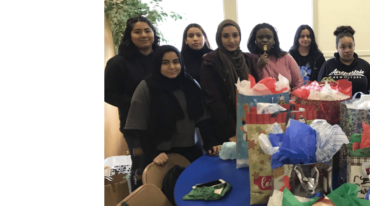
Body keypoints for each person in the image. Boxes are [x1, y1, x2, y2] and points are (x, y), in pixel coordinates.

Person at [123, 45, 212, 164]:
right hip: (161, 154)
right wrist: (152, 154)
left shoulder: (190, 84)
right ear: (157, 64)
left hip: (192, 149)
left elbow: (203, 118)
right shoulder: (146, 87)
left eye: (176, 62)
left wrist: (211, 142)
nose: (172, 67)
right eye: (165, 63)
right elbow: (139, 126)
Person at [199, 19, 254, 155]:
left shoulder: (247, 60)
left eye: (235, 35)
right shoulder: (210, 62)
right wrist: (233, 132)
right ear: (219, 37)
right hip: (223, 129)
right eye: (226, 36)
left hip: (247, 125)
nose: (231, 40)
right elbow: (215, 101)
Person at [105, 15, 161, 133]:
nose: (144, 35)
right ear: (129, 36)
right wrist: (137, 103)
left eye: (147, 31)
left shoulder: (164, 59)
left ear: (153, 34)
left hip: (166, 123)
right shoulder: (118, 63)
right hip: (135, 126)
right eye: (137, 32)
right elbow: (107, 93)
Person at [316, 26, 370, 93]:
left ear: (354, 45)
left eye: (350, 46)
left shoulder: (365, 66)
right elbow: (320, 90)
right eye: (343, 47)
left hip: (361, 103)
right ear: (337, 48)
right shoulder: (327, 66)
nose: (347, 50)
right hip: (336, 103)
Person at [247, 23, 303, 89]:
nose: (264, 40)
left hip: (286, 98)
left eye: (269, 37)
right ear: (255, 40)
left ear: (274, 40)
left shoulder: (286, 58)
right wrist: (259, 68)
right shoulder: (250, 59)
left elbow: (298, 82)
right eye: (260, 37)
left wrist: (292, 98)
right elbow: (250, 86)